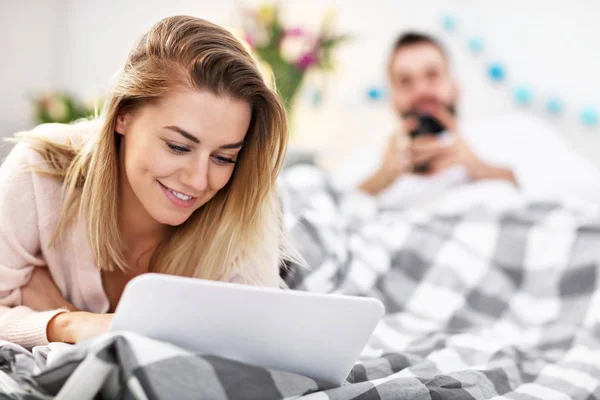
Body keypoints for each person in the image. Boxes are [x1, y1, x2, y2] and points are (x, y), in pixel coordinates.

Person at [0, 15, 290, 348]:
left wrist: (50, 302)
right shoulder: (41, 170)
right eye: (178, 147)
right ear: (123, 116)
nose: (198, 180)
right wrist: (67, 324)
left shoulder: (244, 201)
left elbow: (248, 345)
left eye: (223, 158)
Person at [333, 32, 600, 208]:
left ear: (455, 86)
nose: (421, 91)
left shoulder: (516, 133)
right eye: (405, 81)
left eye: (432, 75)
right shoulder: (367, 165)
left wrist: (485, 170)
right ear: (393, 100)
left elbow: (588, 191)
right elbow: (323, 218)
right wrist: (380, 180)